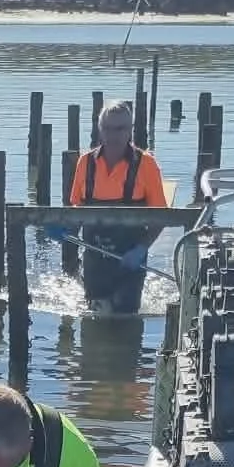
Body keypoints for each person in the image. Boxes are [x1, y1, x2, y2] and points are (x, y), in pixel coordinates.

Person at [69, 99, 170, 315]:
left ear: (131, 130)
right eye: (108, 128)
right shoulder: (85, 163)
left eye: (120, 129)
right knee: (95, 317)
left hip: (131, 259)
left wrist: (142, 248)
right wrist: (65, 231)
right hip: (95, 258)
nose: (113, 135)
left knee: (126, 315)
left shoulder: (147, 165)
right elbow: (76, 209)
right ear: (100, 130)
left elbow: (161, 217)